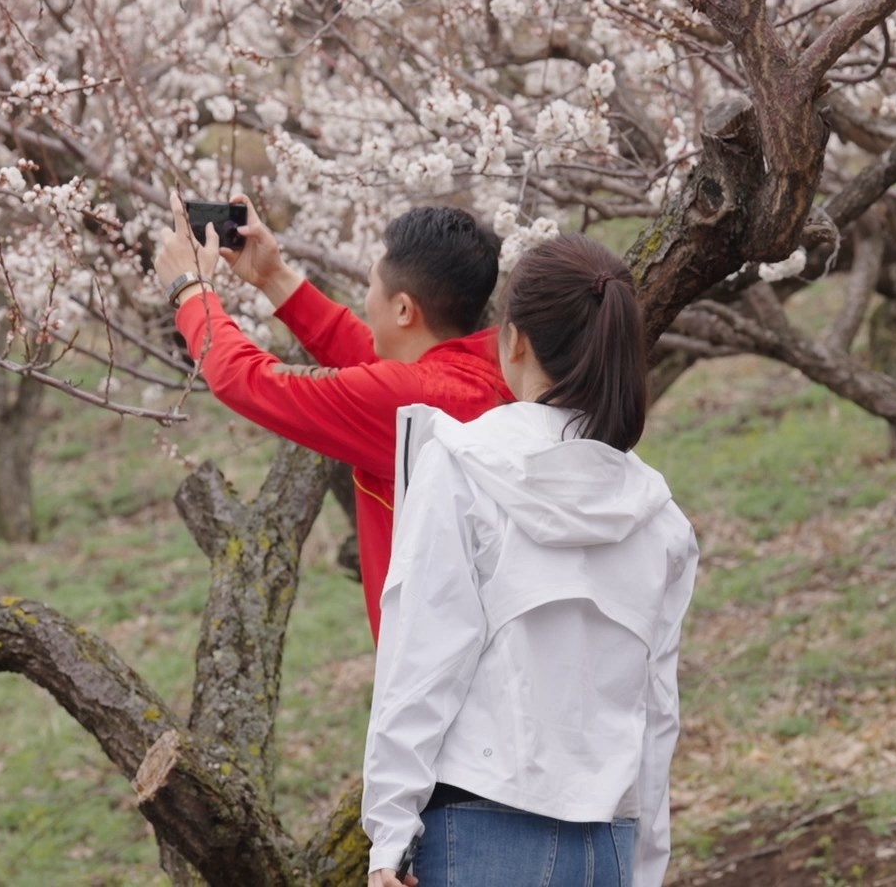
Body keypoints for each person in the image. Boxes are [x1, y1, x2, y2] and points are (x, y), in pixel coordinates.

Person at [361, 232, 698, 887]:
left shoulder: (462, 465)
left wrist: (389, 836)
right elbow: (658, 711)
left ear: (514, 340)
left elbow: (422, 656)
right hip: (609, 840)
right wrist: (647, 864)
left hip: (479, 824)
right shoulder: (659, 518)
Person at [152, 193, 511, 641]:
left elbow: (245, 379)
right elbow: (375, 362)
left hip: (439, 678)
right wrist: (273, 277)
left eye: (371, 285)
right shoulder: (488, 370)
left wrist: (191, 292)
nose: (366, 298)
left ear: (402, 309)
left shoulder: (407, 405)